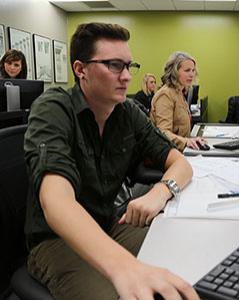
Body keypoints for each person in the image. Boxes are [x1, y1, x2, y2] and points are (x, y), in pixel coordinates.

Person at [24, 22, 199, 300]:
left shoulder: (127, 112)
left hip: (109, 224)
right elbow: (56, 202)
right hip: (57, 241)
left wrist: (159, 192)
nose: (127, 76)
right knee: (119, 292)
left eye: (130, 66)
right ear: (81, 70)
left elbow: (181, 164)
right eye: (114, 66)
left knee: (182, 253)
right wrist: (124, 266)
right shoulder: (54, 108)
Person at [150, 51, 206, 152]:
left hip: (179, 150)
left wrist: (190, 140)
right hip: (168, 154)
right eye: (187, 70)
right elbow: (163, 132)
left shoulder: (179, 92)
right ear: (174, 72)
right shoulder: (165, 94)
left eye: (193, 70)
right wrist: (185, 142)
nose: (191, 74)